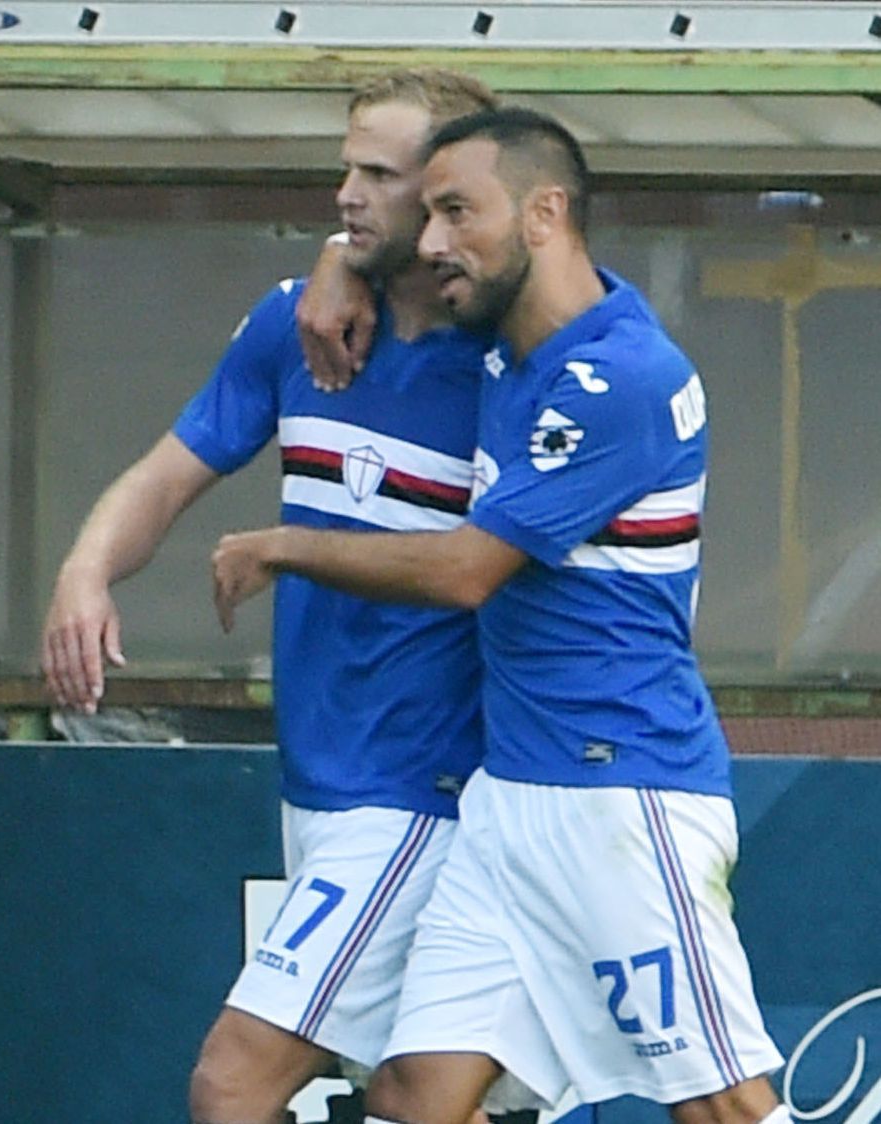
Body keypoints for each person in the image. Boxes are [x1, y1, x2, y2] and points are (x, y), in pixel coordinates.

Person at [212, 108, 786, 1124]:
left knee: (722, 1106)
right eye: (425, 215)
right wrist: (337, 262)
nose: (432, 242)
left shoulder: (622, 380)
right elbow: (379, 249)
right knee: (411, 1094)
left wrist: (281, 543)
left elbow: (467, 570)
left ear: (542, 215)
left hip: (617, 790)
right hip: (508, 799)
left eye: (454, 214)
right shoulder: (503, 352)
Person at [40, 70, 494, 1124]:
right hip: (321, 778)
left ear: (444, 198)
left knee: (231, 1081)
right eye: (344, 166)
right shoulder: (298, 324)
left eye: (376, 175)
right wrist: (82, 570)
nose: (344, 194)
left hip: (419, 787)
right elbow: (167, 471)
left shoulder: (512, 356)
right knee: (419, 1100)